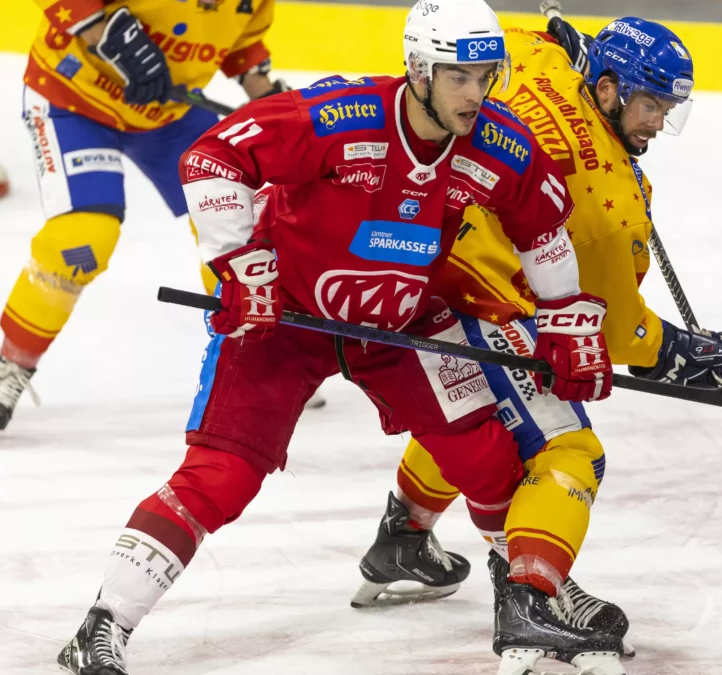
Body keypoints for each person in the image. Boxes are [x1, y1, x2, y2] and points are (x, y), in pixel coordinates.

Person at [55, 0, 620, 673]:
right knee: (222, 474)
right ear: (418, 68)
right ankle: (101, 624)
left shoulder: (496, 142)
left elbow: (541, 226)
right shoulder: (336, 116)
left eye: (485, 74)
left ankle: (528, 596)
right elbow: (212, 158)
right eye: (458, 76)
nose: (476, 92)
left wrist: (565, 316)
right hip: (285, 317)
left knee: (486, 455)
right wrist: (240, 265)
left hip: (398, 322)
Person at [350, 13, 722, 665]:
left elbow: (510, 32)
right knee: (570, 448)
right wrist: (678, 351)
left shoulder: (541, 58)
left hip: (398, 259)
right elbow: (610, 329)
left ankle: (404, 535)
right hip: (473, 295)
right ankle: (532, 602)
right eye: (649, 105)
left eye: (666, 110)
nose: (653, 124)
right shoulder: (608, 202)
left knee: (478, 413)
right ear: (609, 88)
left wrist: (559, 34)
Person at [0, 0, 288, 447]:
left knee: (238, 223)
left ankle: (250, 353)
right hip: (73, 99)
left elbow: (241, 39)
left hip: (168, 111)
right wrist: (98, 32)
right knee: (81, 240)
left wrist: (267, 93)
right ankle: (12, 363)